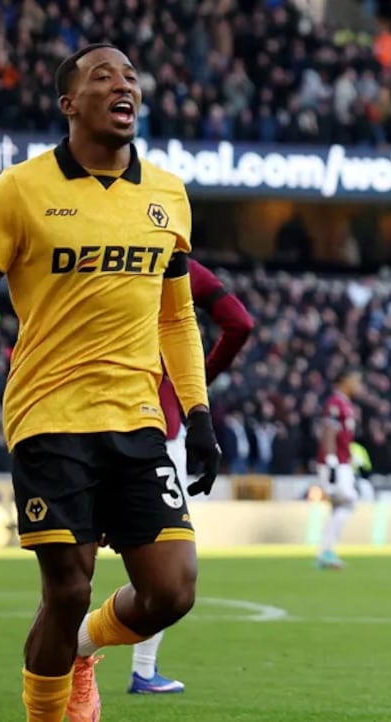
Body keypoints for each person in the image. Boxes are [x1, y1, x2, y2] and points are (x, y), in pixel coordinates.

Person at [0, 43, 221, 722]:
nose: (124, 86)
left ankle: (86, 649)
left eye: (130, 77)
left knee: (172, 592)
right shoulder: (21, 189)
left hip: (137, 420)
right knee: (66, 586)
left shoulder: (167, 195)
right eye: (103, 77)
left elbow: (177, 317)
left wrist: (200, 414)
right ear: (70, 104)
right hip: (48, 417)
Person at [129, 258, 253, 695]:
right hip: (160, 429)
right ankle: (140, 668)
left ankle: (58, 671)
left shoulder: (97, 246)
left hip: (80, 417)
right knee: (164, 559)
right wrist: (193, 388)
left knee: (70, 560)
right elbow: (239, 323)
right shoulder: (177, 263)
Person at [316, 368, 363, 569]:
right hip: (335, 464)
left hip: (343, 462)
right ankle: (326, 551)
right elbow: (329, 432)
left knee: (340, 506)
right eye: (356, 380)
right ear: (344, 381)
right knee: (347, 501)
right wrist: (332, 460)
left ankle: (327, 552)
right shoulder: (335, 403)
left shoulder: (345, 403)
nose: (359, 386)